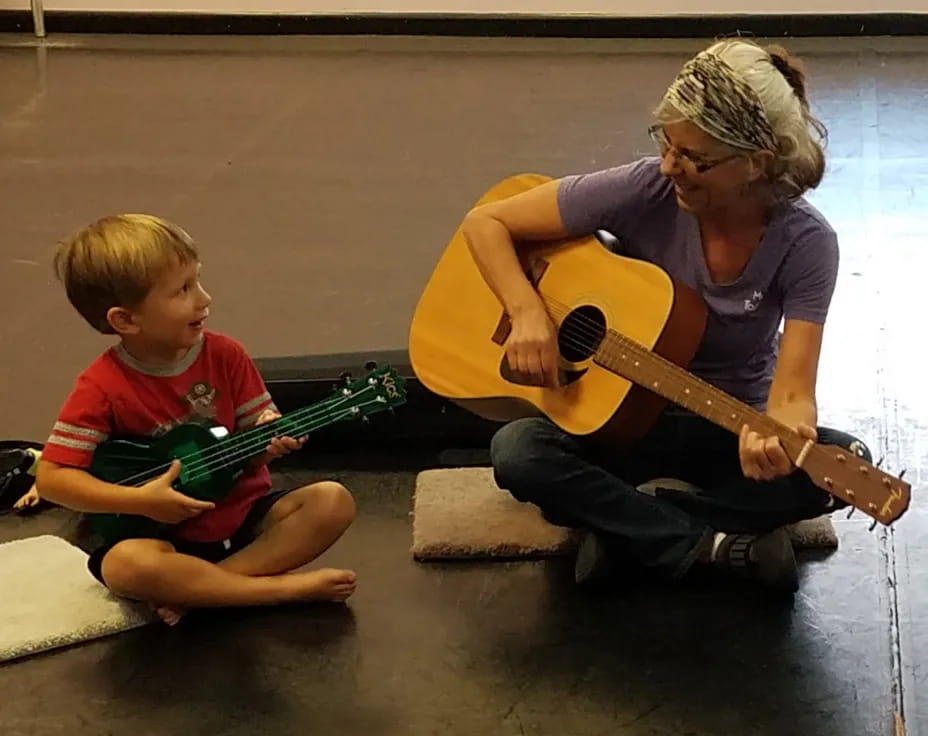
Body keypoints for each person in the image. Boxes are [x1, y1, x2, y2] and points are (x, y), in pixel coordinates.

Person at [461, 38, 871, 594]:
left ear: (757, 162)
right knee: (517, 451)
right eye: (666, 142)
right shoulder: (646, 188)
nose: (669, 165)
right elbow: (487, 223)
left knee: (838, 463)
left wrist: (779, 432)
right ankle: (708, 542)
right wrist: (528, 311)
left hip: (724, 425)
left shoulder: (807, 242)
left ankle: (629, 526)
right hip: (614, 421)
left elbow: (793, 391)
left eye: (694, 158)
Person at [35, 214, 357, 624]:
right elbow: (52, 478)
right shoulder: (101, 385)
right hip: (165, 538)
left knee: (332, 501)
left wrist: (267, 438)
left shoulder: (226, 355)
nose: (203, 299)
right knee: (127, 565)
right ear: (125, 321)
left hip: (242, 517)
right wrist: (141, 501)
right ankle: (276, 590)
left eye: (198, 280)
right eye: (182, 290)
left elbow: (255, 428)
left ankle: (206, 590)